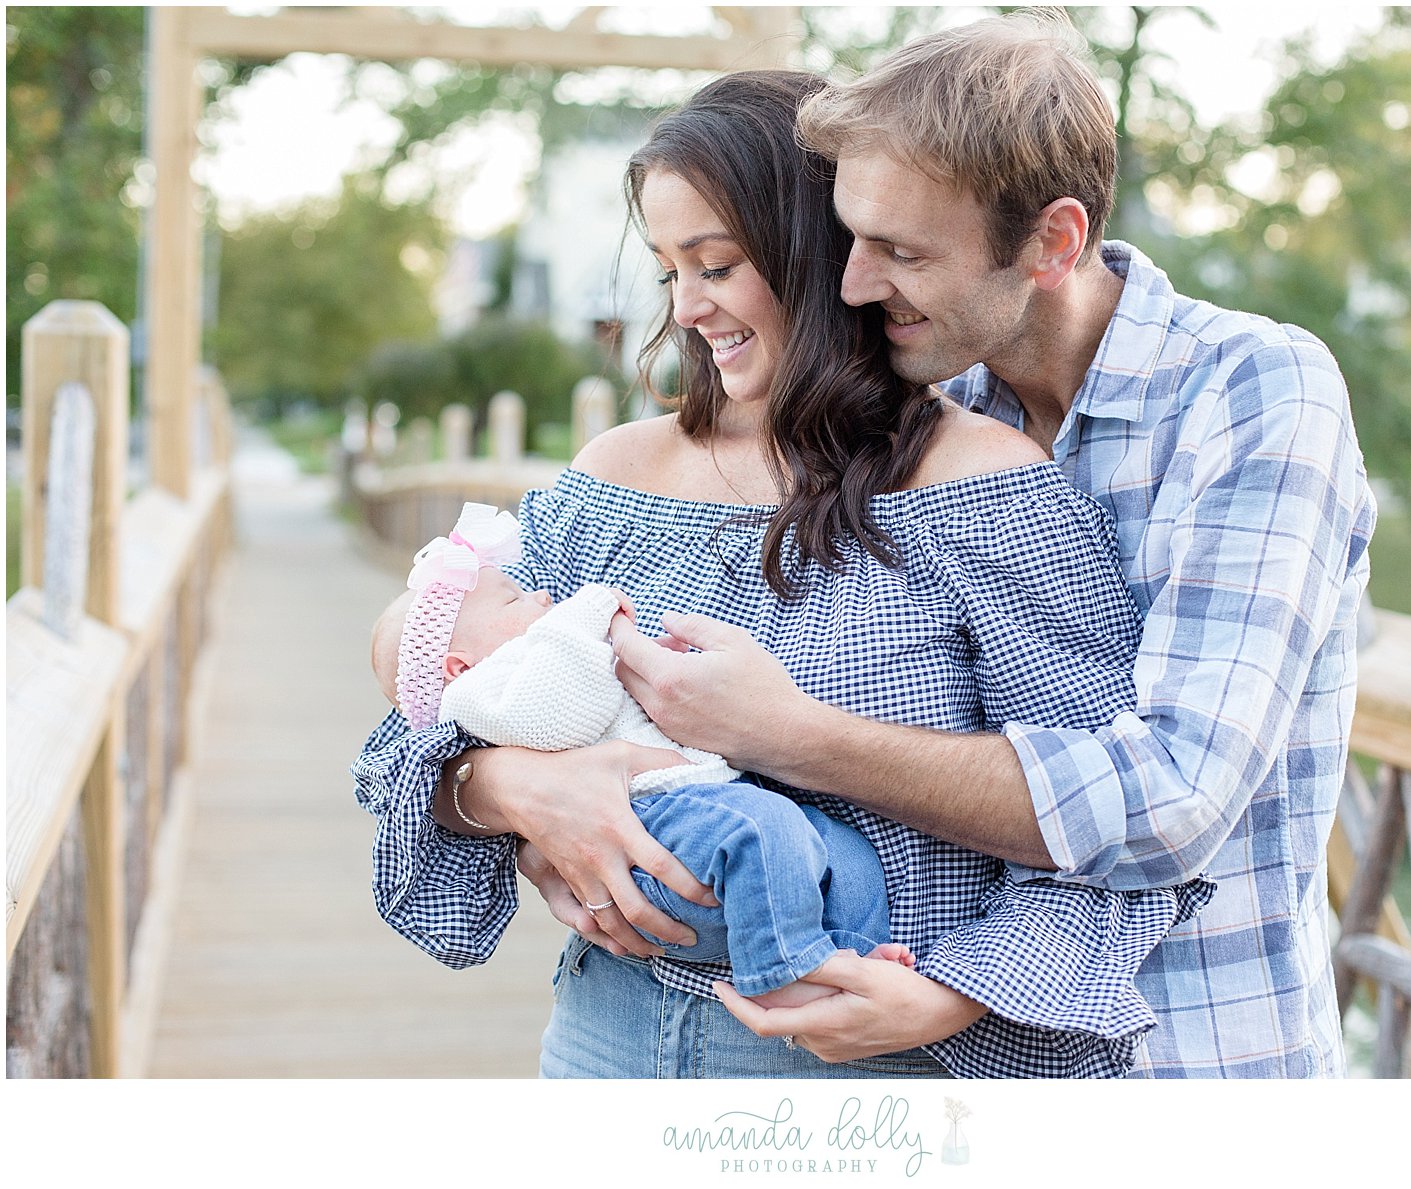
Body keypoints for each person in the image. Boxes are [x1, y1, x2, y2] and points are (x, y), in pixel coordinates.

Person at [351, 69, 1210, 1079]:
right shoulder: (609, 480)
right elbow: (414, 724)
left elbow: (1114, 819)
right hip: (605, 1042)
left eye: (714, 263)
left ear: (821, 252)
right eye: (669, 270)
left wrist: (956, 993)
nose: (688, 308)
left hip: (866, 1067)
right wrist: (509, 786)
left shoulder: (984, 490)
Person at [610, 13, 1378, 1078]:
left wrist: (792, 732)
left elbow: (1174, 796)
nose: (850, 284)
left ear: (1054, 242)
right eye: (849, 237)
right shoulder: (924, 407)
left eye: (901, 252)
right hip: (958, 1075)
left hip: (1191, 1060)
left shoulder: (1251, 391)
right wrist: (539, 789)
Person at [368, 500, 915, 1006]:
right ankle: (780, 974)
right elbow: (560, 714)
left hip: (693, 806)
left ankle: (844, 957)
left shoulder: (538, 659)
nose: (539, 597)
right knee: (763, 830)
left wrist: (660, 657)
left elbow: (614, 690)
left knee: (839, 850)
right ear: (459, 666)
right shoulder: (482, 695)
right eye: (514, 599)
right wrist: (587, 614)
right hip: (647, 828)